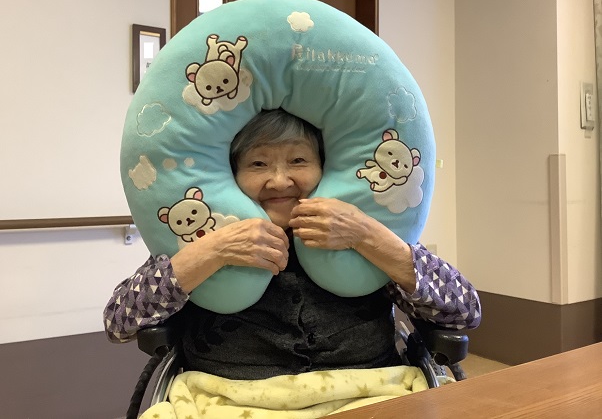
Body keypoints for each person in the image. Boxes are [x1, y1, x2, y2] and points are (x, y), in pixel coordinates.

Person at [104, 109, 481, 380]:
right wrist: (215, 251)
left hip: (365, 392)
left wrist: (365, 234)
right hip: (234, 400)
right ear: (230, 176)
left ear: (325, 168)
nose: (280, 180)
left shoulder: (364, 226)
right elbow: (119, 322)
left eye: (298, 160)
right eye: (258, 164)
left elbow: (465, 310)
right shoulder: (200, 233)